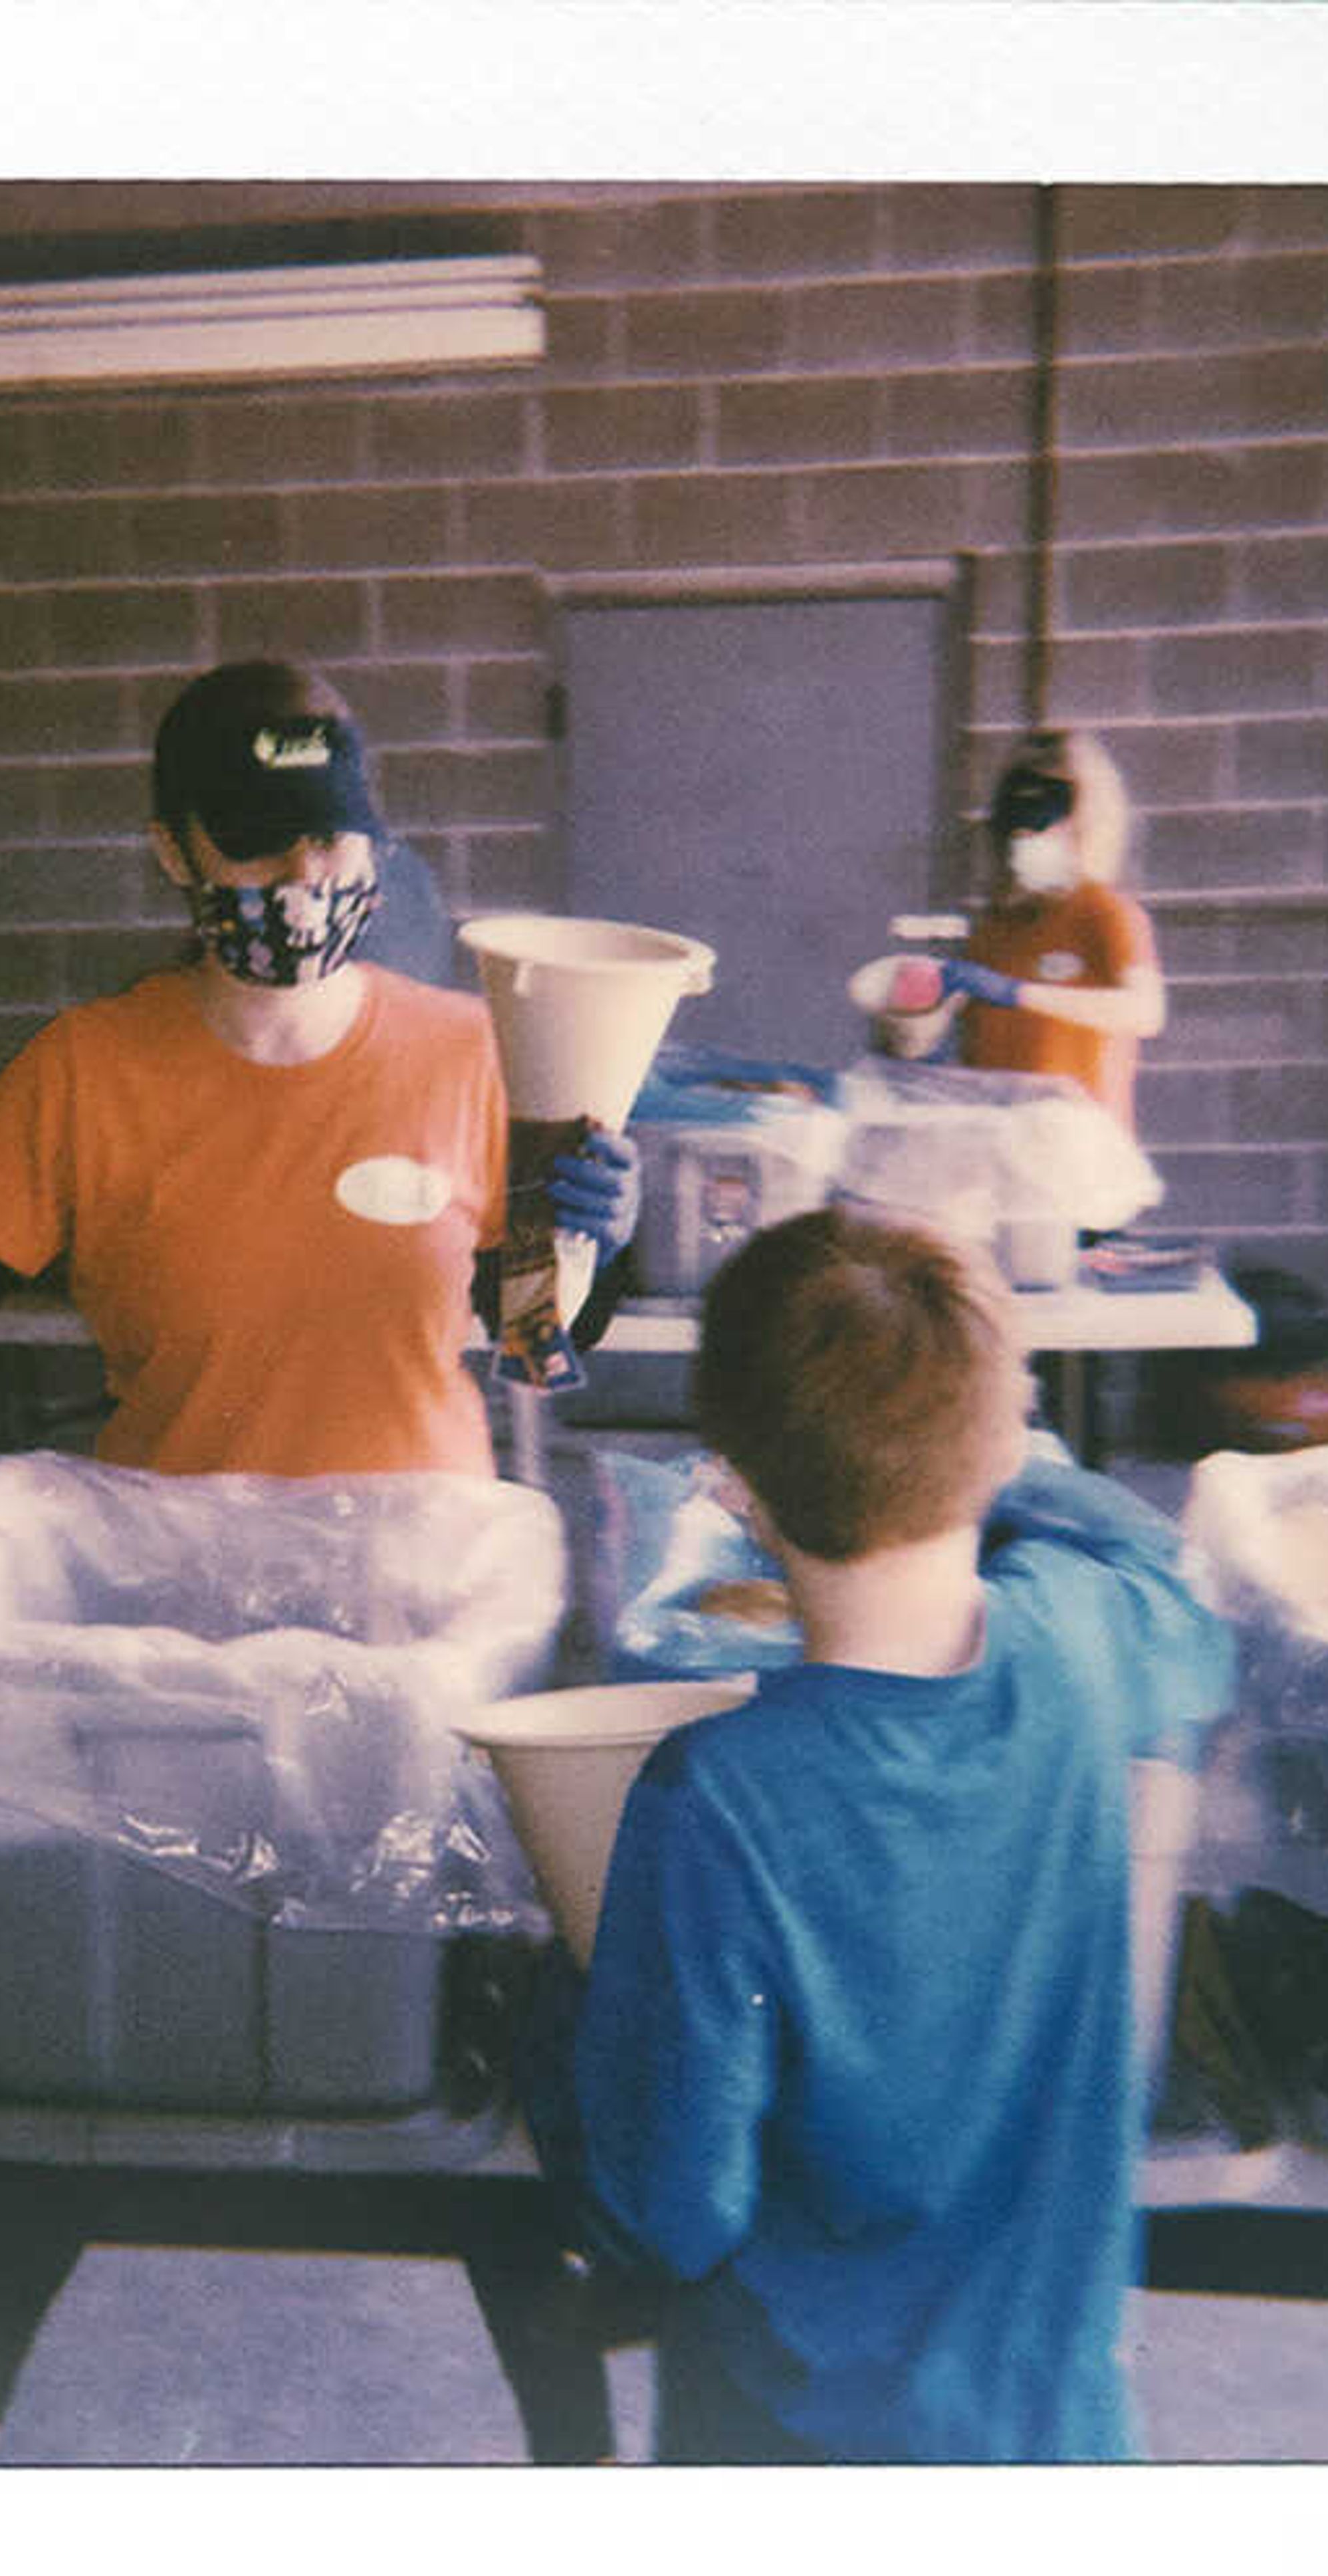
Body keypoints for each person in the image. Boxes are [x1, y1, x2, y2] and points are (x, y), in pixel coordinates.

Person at [0, 657, 641, 2461]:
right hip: (159, 1653)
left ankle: (579, 2465)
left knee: (458, 2084)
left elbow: (537, 1341)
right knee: (89, 2043)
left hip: (411, 1655)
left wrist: (602, 1240)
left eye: (332, 838)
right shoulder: (87, 1075)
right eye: (256, 844)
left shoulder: (469, 1055)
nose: (301, 879)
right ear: (171, 850)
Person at [524, 1205, 1234, 2464]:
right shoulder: (1081, 1636)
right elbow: (1173, 1590)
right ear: (1004, 1438)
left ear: (733, 1486)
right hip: (1054, 2420)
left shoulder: (720, 1795)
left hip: (802, 2441)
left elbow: (673, 2214)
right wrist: (1002, 1460)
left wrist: (560, 2031)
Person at [871, 729, 1165, 1134]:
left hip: (1079, 1156)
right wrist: (911, 1028)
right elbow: (973, 1054)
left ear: (1083, 819)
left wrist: (1017, 993)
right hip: (1004, 1153)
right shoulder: (995, 928)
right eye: (1017, 812)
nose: (1027, 833)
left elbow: (1146, 1012)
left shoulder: (1105, 913)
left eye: (1047, 808)